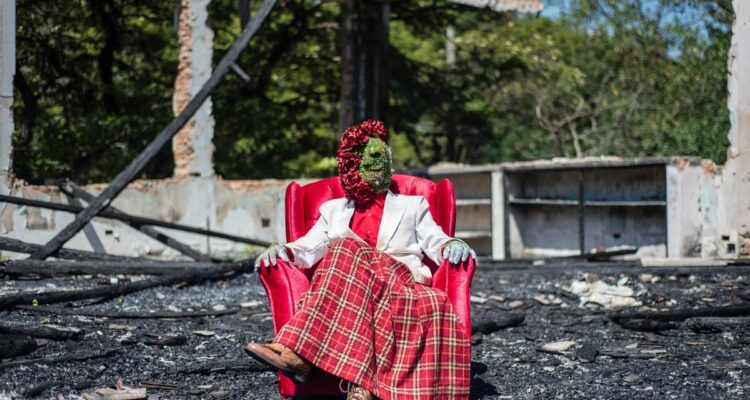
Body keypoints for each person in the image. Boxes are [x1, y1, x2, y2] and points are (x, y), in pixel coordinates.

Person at [245, 120, 475, 400]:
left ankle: (299, 354)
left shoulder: (413, 205)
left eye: (382, 156)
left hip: (399, 283)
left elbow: (434, 239)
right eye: (367, 158)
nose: (377, 163)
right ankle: (363, 387)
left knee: (344, 248)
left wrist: (453, 243)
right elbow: (308, 247)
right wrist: (283, 250)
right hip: (355, 290)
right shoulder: (332, 210)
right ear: (352, 165)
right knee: (345, 252)